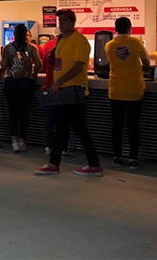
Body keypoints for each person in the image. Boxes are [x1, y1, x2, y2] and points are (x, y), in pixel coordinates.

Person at [35, 9, 103, 176]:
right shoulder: (61, 41)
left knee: (76, 128)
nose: (61, 24)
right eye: (60, 21)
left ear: (72, 22)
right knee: (65, 128)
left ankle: (89, 165)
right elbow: (58, 65)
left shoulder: (79, 41)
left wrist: (59, 81)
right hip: (63, 91)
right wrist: (55, 82)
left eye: (64, 21)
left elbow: (79, 65)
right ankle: (55, 163)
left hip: (74, 92)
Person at [105, 17, 150, 170]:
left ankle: (117, 157)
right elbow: (147, 63)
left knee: (116, 126)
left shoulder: (109, 45)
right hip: (133, 91)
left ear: (115, 29)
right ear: (130, 28)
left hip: (115, 90)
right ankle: (133, 159)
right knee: (133, 126)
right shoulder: (136, 42)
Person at [1, 23, 41, 153]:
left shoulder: (8, 48)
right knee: (24, 112)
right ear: (26, 35)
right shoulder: (31, 48)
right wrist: (34, 74)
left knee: (13, 112)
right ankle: (23, 139)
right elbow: (39, 63)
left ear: (14, 34)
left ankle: (14, 140)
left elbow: (4, 64)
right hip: (26, 82)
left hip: (11, 82)